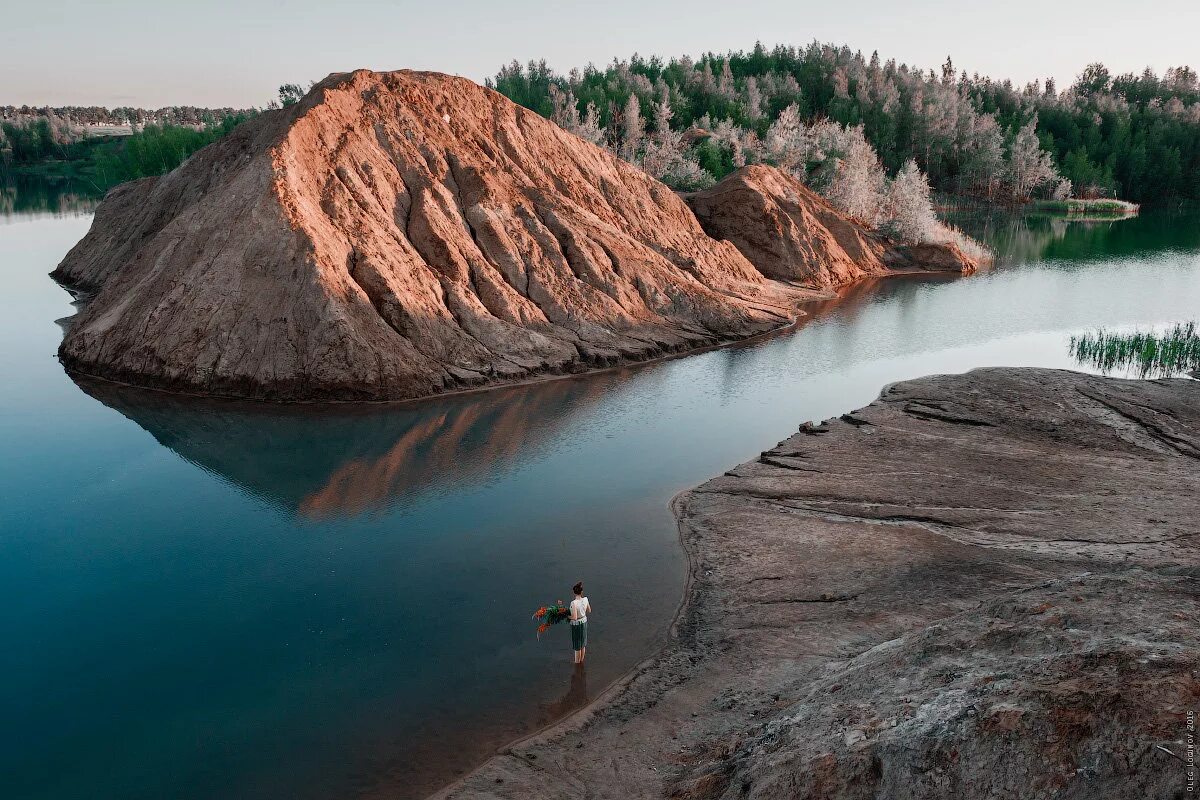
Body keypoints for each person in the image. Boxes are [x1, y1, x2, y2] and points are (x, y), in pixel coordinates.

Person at [569, 581, 591, 664]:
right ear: (582, 592)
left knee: (577, 645)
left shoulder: (573, 603)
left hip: (577, 625)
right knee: (583, 643)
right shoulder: (586, 599)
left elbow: (574, 617)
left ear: (574, 592)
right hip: (584, 622)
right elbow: (589, 610)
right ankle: (581, 661)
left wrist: (567, 616)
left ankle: (577, 663)